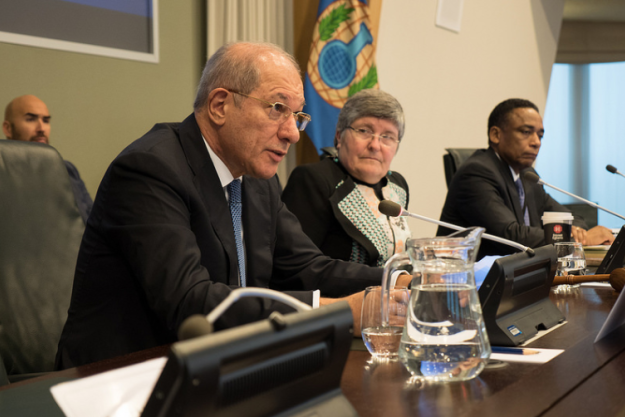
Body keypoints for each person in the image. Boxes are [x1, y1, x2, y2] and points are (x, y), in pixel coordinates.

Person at [55, 42, 412, 369]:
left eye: (298, 116)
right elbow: (192, 303)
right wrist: (341, 312)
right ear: (219, 105)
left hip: (222, 369)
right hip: (120, 379)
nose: (291, 132)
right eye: (277, 109)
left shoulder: (257, 178)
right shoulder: (150, 170)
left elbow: (306, 266)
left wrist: (404, 280)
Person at [437, 98, 614, 257]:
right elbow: (510, 235)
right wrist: (572, 237)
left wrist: (578, 232)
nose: (536, 142)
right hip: (466, 282)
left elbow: (569, 217)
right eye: (526, 132)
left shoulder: (528, 177)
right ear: (496, 135)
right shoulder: (476, 173)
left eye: (540, 135)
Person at [282, 89, 410, 266]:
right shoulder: (313, 180)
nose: (375, 145)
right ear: (339, 136)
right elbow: (296, 266)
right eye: (364, 131)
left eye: (387, 136)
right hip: (337, 293)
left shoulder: (398, 186)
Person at [3, 95, 93, 223]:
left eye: (46, 121)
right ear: (8, 129)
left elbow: (94, 225)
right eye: (30, 119)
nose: (41, 129)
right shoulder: (4, 174)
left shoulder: (68, 170)